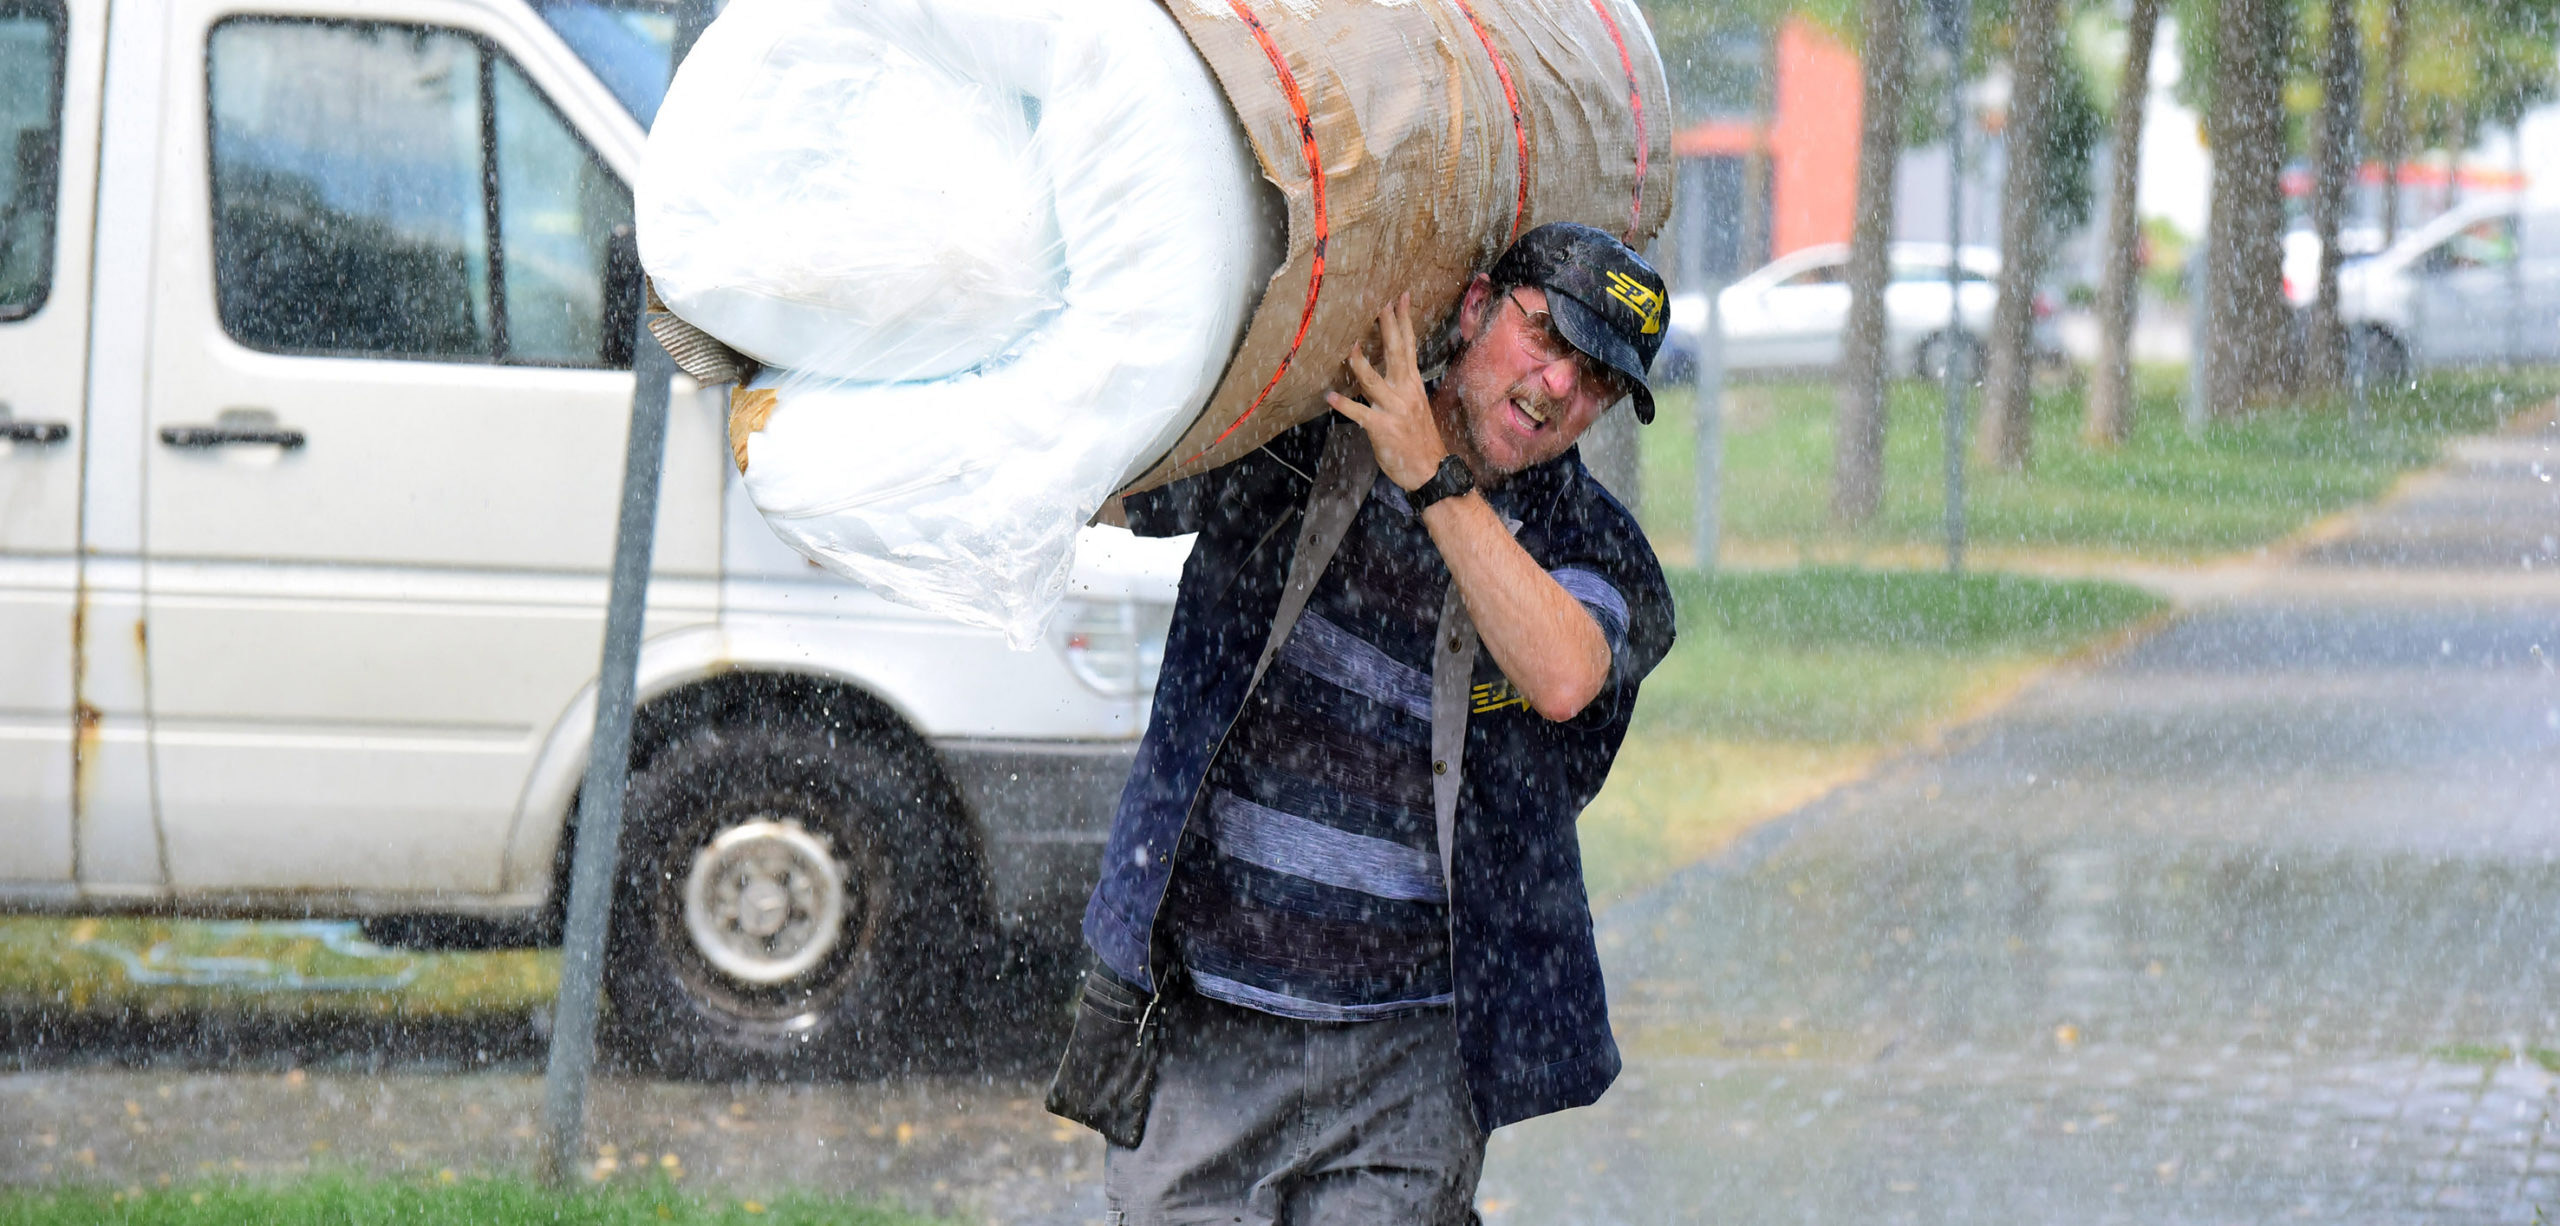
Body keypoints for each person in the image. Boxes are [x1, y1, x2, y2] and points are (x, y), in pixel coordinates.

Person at [1054, 222, 1677, 1225]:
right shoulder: (1300, 431)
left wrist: (1431, 476)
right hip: (1207, 1026)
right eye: (1545, 335)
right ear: (1474, 308)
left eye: (1597, 377)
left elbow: (1564, 674)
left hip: (1408, 1059)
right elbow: (1112, 491)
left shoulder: (1590, 541)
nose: (1561, 384)